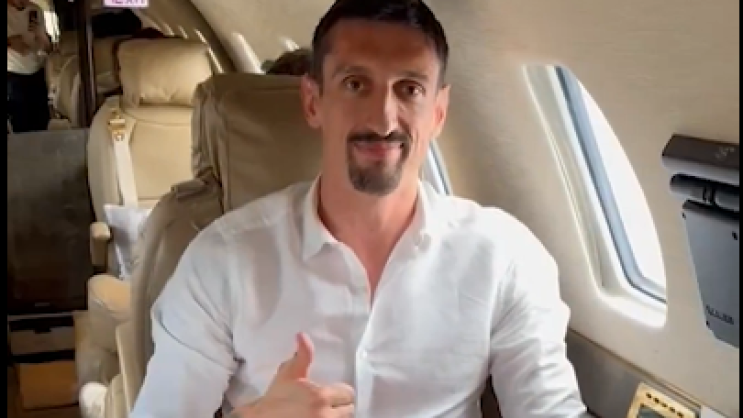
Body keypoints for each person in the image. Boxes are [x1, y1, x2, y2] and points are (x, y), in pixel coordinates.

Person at [131, 0, 589, 417]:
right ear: (313, 101)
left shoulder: (505, 257)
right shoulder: (221, 260)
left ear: (438, 112)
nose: (383, 119)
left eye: (409, 89)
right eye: (356, 85)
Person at [7, 0, 52, 133]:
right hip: (13, 74)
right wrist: (10, 42)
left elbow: (48, 48)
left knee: (42, 121)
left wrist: (41, 35)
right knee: (20, 123)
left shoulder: (35, 9)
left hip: (37, 72)